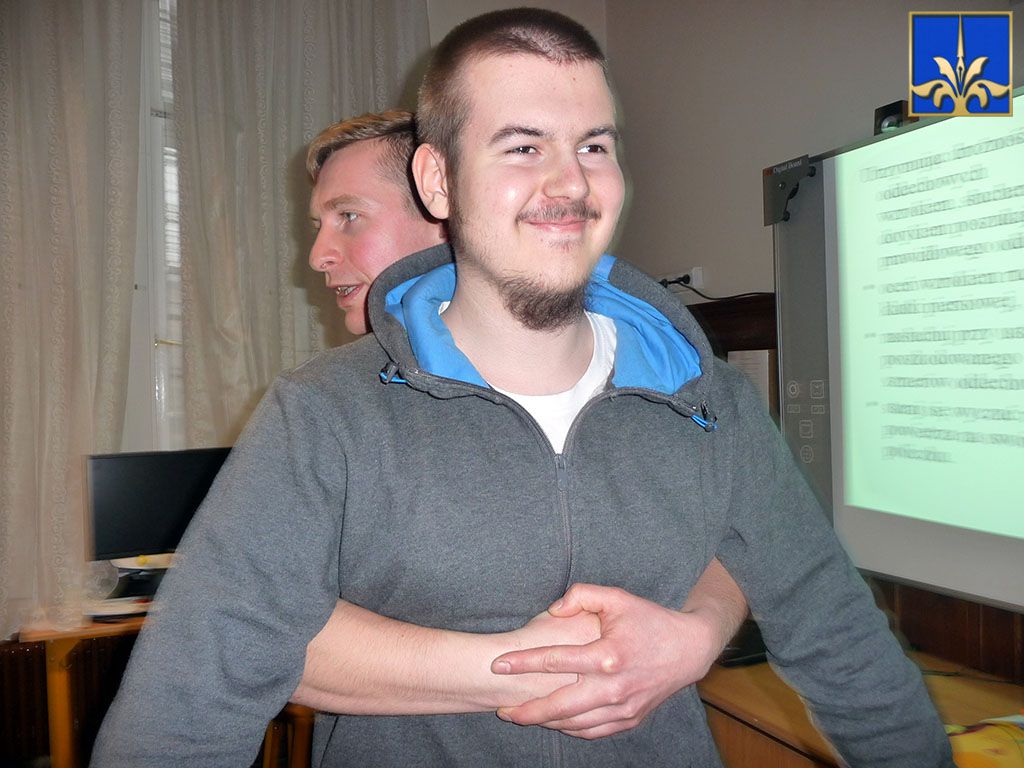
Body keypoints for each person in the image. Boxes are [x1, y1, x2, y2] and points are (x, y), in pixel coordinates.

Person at [93, 8, 953, 767]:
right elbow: (187, 701)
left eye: (594, 146)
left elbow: (840, 637)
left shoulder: (709, 401)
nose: (570, 182)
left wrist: (700, 630)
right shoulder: (322, 412)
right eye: (523, 146)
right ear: (438, 181)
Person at [293, 109, 750, 733]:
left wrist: (700, 633)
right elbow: (255, 630)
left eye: (348, 217)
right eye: (320, 225)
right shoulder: (328, 406)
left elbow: (736, 541)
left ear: (446, 205)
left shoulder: (673, 381)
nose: (319, 255)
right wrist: (522, 668)